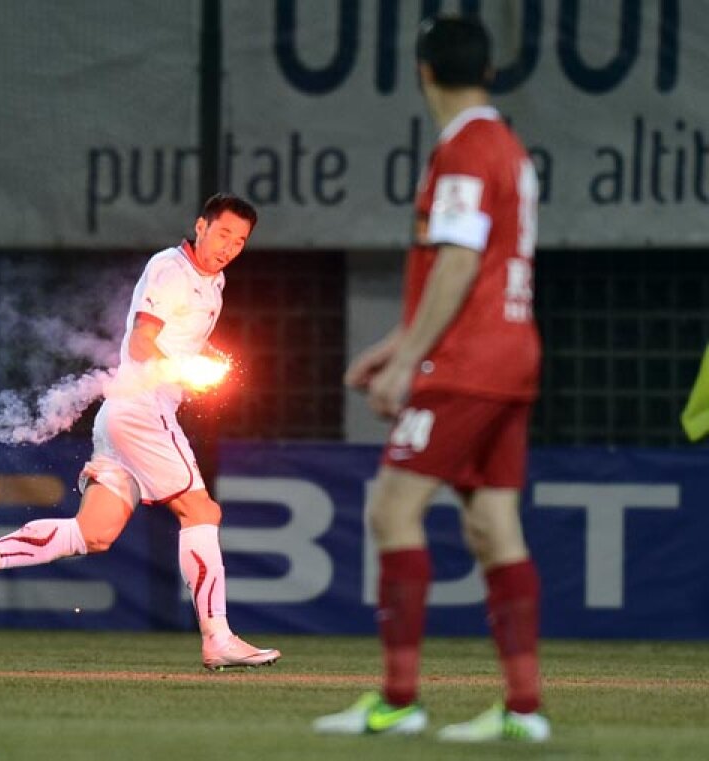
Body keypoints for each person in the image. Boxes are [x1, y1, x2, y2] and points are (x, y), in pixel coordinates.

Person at [312, 15, 549, 742]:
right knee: (491, 522)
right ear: (489, 70)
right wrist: (394, 344)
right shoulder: (507, 146)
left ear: (423, 71)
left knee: (391, 508)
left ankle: (399, 699)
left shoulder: (465, 150)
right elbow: (468, 270)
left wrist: (413, 359)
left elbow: (456, 263)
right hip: (511, 353)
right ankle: (523, 710)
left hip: (467, 363)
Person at [0, 193, 281, 671]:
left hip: (123, 412)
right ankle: (218, 637)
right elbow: (142, 343)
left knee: (93, 533)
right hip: (141, 410)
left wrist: (193, 370)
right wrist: (186, 371)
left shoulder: (214, 281)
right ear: (200, 226)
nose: (229, 247)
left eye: (240, 240)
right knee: (201, 509)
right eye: (223, 233)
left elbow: (170, 349)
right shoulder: (171, 270)